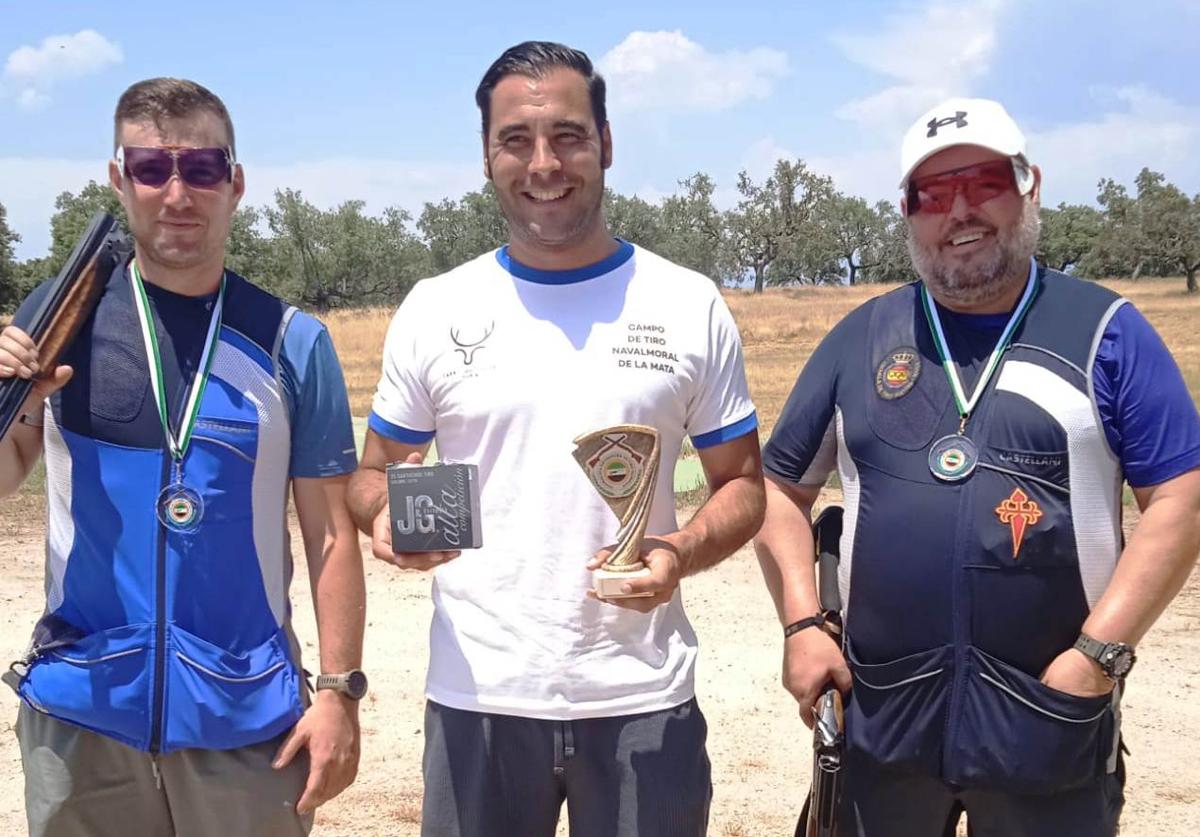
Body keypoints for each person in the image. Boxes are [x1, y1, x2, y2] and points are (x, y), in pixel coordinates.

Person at [347, 41, 765, 837]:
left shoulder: (687, 303)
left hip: (643, 698)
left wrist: (679, 552)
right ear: (486, 157)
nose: (543, 163)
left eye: (568, 135)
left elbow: (743, 483)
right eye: (517, 140)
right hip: (478, 698)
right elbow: (373, 472)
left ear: (606, 143)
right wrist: (383, 515)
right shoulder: (437, 307)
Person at [754, 97, 1200, 837]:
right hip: (882, 716)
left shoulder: (1107, 331)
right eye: (931, 193)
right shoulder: (861, 339)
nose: (958, 210)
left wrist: (1097, 656)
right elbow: (776, 489)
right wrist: (802, 623)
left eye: (984, 182)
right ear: (907, 212)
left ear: (1030, 184)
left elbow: (1181, 497)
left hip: (1047, 715)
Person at [0, 78, 366, 837]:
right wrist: (11, 396)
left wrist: (338, 692)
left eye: (201, 169)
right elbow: (7, 476)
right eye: (150, 168)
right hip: (83, 713)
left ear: (235, 183)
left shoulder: (291, 341)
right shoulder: (56, 317)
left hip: (247, 720)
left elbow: (331, 533)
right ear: (118, 179)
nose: (176, 194)